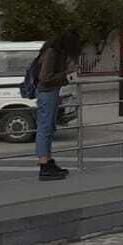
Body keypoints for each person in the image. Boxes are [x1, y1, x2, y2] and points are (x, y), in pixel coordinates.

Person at [34, 28, 81, 181]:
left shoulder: (56, 50)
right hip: (46, 92)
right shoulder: (53, 52)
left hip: (52, 92)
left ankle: (48, 161)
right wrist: (67, 74)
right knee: (45, 129)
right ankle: (44, 166)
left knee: (49, 127)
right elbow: (45, 77)